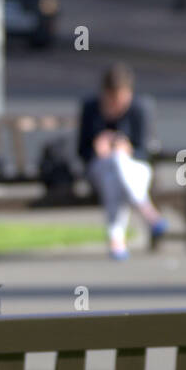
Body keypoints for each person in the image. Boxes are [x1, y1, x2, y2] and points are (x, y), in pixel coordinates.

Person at [77, 63, 167, 260]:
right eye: (112, 98)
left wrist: (128, 149)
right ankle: (147, 211)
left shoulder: (140, 108)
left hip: (135, 169)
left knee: (118, 166)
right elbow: (81, 151)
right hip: (101, 168)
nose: (117, 103)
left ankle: (116, 239)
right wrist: (98, 148)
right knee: (113, 168)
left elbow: (145, 150)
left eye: (121, 97)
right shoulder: (91, 109)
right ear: (104, 94)